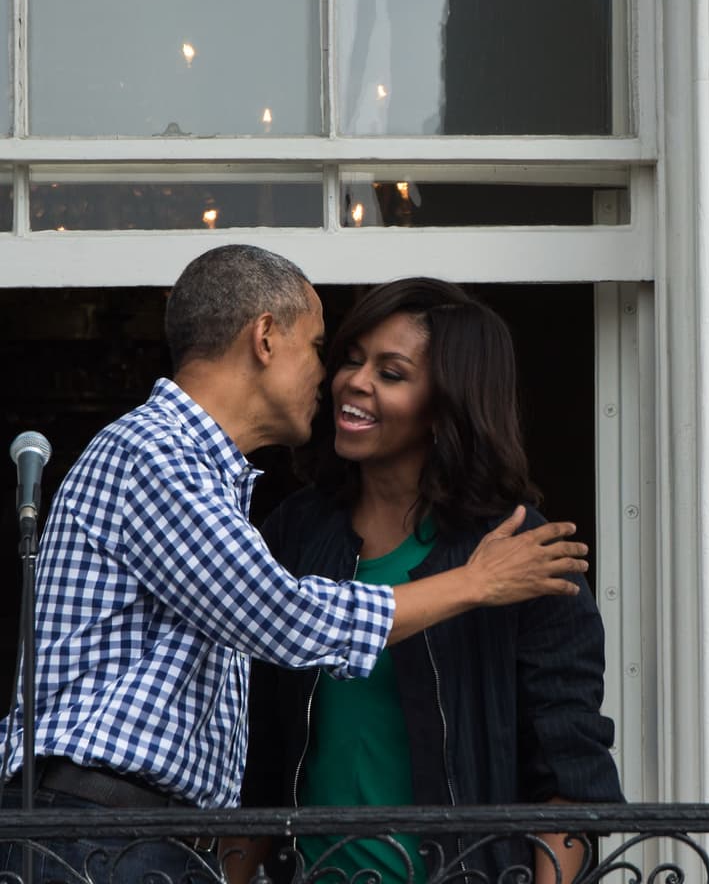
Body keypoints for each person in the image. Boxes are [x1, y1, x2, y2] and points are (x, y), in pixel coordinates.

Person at [0, 246, 588, 883]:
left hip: (130, 839)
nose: (334, 376)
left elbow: (569, 758)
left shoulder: (209, 478)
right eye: (324, 350)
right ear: (264, 338)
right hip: (103, 836)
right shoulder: (158, 458)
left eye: (388, 371)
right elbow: (282, 618)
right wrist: (476, 582)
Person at [235, 278, 623, 884]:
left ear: (447, 407)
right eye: (352, 360)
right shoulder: (297, 533)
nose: (354, 382)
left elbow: (571, 774)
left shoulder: (524, 553)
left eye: (391, 373)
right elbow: (256, 759)